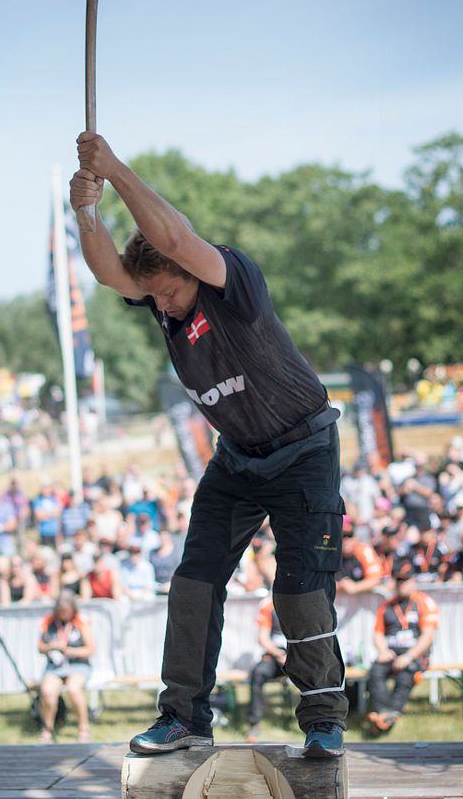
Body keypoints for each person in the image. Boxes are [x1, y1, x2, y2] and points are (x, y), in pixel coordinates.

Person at [70, 131, 347, 758]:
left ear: (188, 271)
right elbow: (110, 267)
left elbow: (170, 239)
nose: (159, 305)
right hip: (237, 460)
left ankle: (324, 719)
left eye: (167, 290)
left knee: (301, 590)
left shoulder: (231, 279)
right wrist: (85, 209)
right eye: (154, 297)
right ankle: (184, 716)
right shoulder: (160, 294)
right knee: (193, 581)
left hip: (304, 449)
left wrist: (112, 169)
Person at [367, 556, 438, 734]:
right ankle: (383, 712)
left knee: (405, 675)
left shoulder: (424, 602)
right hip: (391, 652)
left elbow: (427, 636)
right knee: (375, 671)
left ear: (413, 581)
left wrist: (408, 656)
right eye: (398, 581)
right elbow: (378, 634)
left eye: (405, 581)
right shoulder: (386, 606)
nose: (401, 585)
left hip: (414, 654)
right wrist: (382, 650)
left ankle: (387, 716)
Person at [38, 592, 95, 743]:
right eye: (61, 611)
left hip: (78, 664)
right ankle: (47, 728)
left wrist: (70, 651)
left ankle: (83, 728)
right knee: (47, 691)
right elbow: (40, 647)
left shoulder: (81, 621)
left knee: (73, 689)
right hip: (55, 666)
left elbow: (90, 650)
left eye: (66, 611)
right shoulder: (49, 621)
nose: (63, 615)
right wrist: (51, 647)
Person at [245, 597, 287, 742]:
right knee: (258, 673)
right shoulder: (269, 605)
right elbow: (263, 638)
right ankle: (254, 724)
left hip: (300, 654)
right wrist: (279, 654)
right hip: (277, 655)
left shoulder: (304, 599)